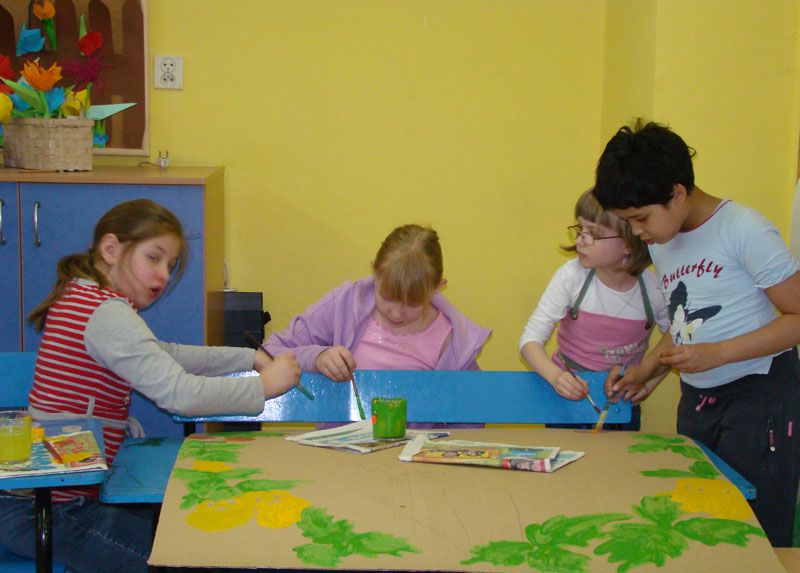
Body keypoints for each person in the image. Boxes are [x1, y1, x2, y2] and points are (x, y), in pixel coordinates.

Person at [0, 199, 301, 573]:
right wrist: (265, 387)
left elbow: (164, 354)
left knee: (184, 535)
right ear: (111, 249)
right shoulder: (106, 313)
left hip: (44, 501)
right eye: (154, 258)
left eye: (170, 266)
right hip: (50, 511)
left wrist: (248, 358)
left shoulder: (84, 295)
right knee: (190, 559)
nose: (163, 275)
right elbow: (180, 394)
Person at [592, 119, 800, 547]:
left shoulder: (743, 230)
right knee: (700, 525)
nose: (638, 232)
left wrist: (717, 354)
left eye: (641, 218)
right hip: (698, 403)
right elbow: (684, 325)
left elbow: (797, 316)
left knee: (756, 531)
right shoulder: (664, 240)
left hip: (760, 401)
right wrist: (646, 372)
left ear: (677, 193)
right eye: (628, 221)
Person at [519, 189, 669, 429]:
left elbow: (676, 339)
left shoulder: (654, 289)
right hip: (566, 402)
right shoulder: (571, 277)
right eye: (580, 229)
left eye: (594, 234)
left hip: (620, 404)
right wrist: (556, 377)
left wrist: (649, 382)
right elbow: (530, 341)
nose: (581, 239)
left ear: (629, 243)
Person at [264, 223, 491, 380]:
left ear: (437, 288)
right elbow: (270, 352)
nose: (396, 313)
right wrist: (318, 357)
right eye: (387, 297)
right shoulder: (343, 306)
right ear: (375, 272)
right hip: (343, 437)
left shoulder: (453, 342)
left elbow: (470, 414)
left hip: (413, 439)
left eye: (412, 304)